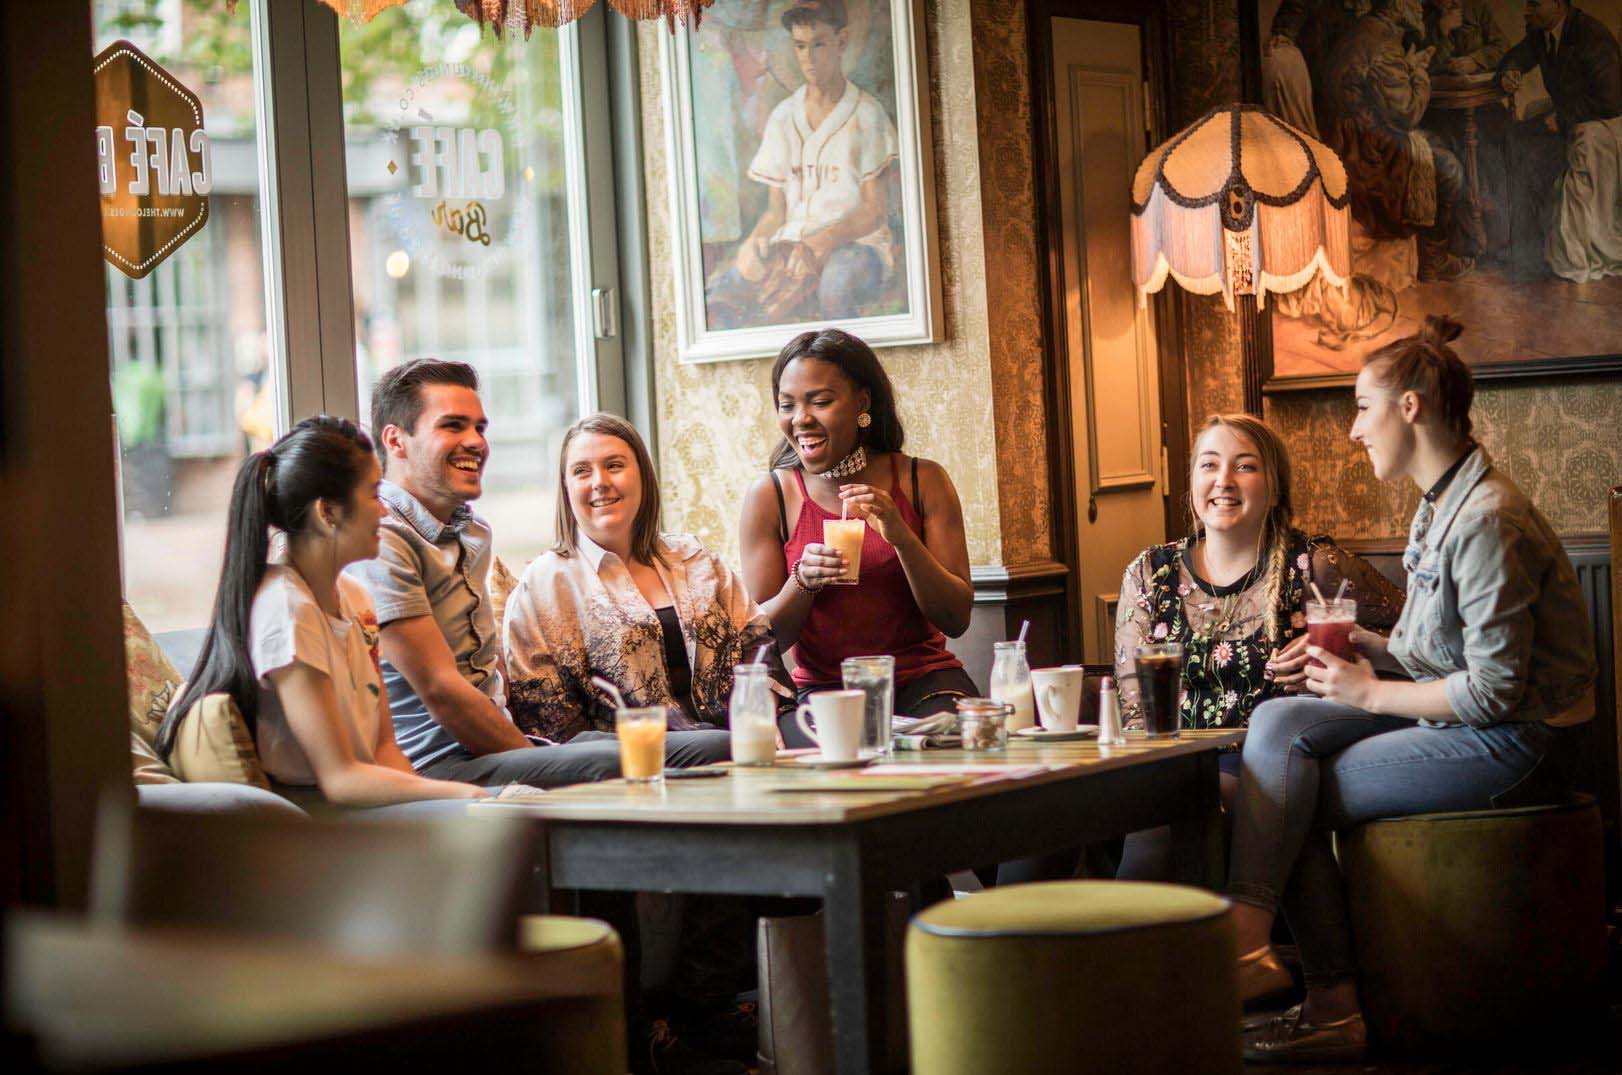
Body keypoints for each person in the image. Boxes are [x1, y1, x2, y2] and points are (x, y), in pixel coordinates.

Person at [1230, 315, 1596, 1063]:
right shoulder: (1440, 501)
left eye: (1362, 407)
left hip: (1523, 739)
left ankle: (1330, 1002)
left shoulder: (1487, 519)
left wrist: (1367, 693)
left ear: (1409, 407)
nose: (1353, 431)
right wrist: (1365, 644)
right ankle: (1245, 947)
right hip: (1472, 718)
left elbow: (1495, 692)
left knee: (1297, 789)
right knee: (1277, 723)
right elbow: (1439, 652)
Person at [345, 359, 732, 789]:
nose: (475, 442)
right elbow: (441, 691)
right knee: (641, 762)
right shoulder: (381, 539)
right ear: (395, 440)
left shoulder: (470, 532)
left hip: (499, 745)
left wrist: (544, 752)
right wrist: (537, 765)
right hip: (439, 766)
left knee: (715, 747)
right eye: (453, 426)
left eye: (480, 427)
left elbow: (483, 665)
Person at [1113, 414, 1404, 880]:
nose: (1223, 480)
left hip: (1267, 765)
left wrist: (1341, 648)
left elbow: (1423, 638)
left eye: (1244, 467)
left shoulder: (1314, 565)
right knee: (1053, 820)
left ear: (1275, 489)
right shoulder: (1150, 573)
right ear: (1191, 483)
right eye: (1209, 465)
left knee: (1160, 836)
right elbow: (1135, 712)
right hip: (1168, 761)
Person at [157, 416, 486, 809]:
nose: (384, 511)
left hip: (371, 807)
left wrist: (436, 808)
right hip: (324, 823)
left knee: (503, 813)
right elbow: (341, 779)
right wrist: (467, 795)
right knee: (504, 812)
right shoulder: (288, 613)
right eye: (372, 495)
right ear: (327, 512)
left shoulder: (355, 597)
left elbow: (383, 749)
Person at [739, 327, 977, 728]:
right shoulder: (770, 497)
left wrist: (902, 538)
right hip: (825, 691)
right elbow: (765, 641)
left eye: (820, 401)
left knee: (950, 746)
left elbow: (955, 618)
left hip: (925, 682)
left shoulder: (924, 481)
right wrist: (803, 583)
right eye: (787, 405)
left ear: (862, 402)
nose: (800, 419)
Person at [507, 412, 792, 741]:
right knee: (714, 744)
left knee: (822, 739)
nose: (599, 481)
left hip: (742, 730)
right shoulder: (544, 583)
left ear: (642, 475)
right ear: (566, 487)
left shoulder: (693, 557)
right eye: (581, 471)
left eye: (614, 465)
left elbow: (756, 637)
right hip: (628, 755)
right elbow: (543, 708)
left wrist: (758, 720)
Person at [705, 0, 901, 328]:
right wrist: (754, 242)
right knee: (722, 293)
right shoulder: (783, 117)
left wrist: (818, 243)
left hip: (855, 245)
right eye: (800, 46)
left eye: (818, 44)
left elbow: (873, 210)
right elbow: (775, 212)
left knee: (834, 285)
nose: (808, 58)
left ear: (842, 42)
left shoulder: (867, 114)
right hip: (791, 244)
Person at [1320, 0, 1486, 280]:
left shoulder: (1364, 31)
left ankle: (1459, 245)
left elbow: (1377, 85)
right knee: (1451, 170)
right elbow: (1408, 113)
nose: (1421, 6)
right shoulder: (1384, 44)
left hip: (1350, 140)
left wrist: (1407, 67)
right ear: (1397, 4)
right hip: (1370, 155)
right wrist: (1419, 75)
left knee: (1444, 141)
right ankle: (1433, 260)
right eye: (1414, 1)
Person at [1497, 0, 1622, 275]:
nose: (1527, 11)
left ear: (1558, 4)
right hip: (1567, 120)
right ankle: (1523, 243)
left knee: (1534, 154)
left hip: (1601, 127)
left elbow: (1611, 100)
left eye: (1535, 4)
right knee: (1512, 137)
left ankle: (1544, 246)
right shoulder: (1542, 32)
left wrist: (1563, 118)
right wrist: (1510, 71)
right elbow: (1516, 56)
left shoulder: (1591, 34)